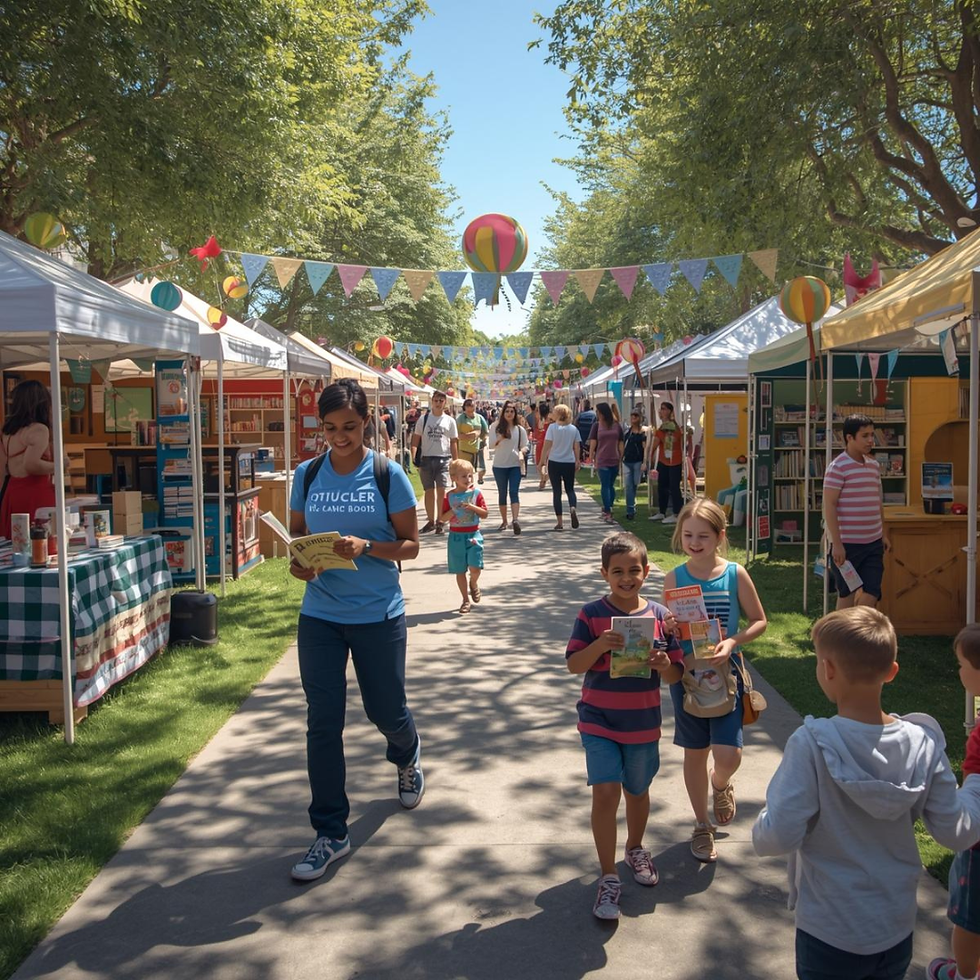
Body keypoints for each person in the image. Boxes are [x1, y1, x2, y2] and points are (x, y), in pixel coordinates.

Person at [753, 608, 980, 980]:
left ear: (827, 670)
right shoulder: (922, 744)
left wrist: (763, 824)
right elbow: (958, 831)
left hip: (828, 929)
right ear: (892, 672)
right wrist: (976, 784)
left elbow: (777, 836)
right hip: (895, 926)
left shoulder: (811, 744)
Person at [287, 378, 423, 882]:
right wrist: (301, 563)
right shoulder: (308, 472)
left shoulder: (388, 474)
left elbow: (411, 545)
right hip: (320, 615)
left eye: (348, 427)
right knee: (323, 721)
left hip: (378, 614)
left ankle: (406, 752)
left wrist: (367, 547)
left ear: (366, 421)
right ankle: (330, 831)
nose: (339, 437)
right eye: (329, 428)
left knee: (385, 708)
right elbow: (298, 536)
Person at [565, 532, 685, 920]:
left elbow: (676, 673)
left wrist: (665, 665)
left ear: (647, 571)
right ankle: (608, 875)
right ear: (604, 574)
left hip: (642, 723)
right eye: (618, 571)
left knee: (637, 790)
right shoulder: (591, 614)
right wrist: (600, 645)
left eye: (634, 570)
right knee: (605, 793)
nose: (627, 578)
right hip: (598, 720)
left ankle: (635, 847)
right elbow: (573, 664)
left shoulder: (662, 617)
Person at [662, 498, 767, 863]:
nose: (694, 542)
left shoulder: (734, 573)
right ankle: (702, 825)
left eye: (703, 536)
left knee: (729, 753)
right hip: (689, 677)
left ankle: (720, 783)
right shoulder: (675, 577)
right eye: (688, 534)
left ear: (720, 536)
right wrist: (669, 626)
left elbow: (759, 620)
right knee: (695, 752)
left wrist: (734, 641)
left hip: (726, 675)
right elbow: (666, 629)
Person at [929, 624, 980, 980]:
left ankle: (963, 974)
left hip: (977, 842)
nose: (958, 672)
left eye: (962, 665)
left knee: (969, 918)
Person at [823, 413, 890, 609]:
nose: (871, 440)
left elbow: (878, 502)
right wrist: (837, 544)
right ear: (849, 438)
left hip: (873, 543)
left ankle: (858, 635)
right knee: (847, 593)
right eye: (865, 436)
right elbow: (830, 505)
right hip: (848, 546)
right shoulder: (837, 468)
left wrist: (883, 534)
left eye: (872, 435)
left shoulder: (874, 466)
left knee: (873, 592)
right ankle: (837, 638)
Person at [0, 380, 57, 539]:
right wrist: (58, 466)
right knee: (41, 541)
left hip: (13, 491)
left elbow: (3, 468)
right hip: (35, 492)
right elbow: (31, 465)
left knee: (16, 542)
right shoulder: (39, 429)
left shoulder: (8, 432)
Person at [442, 458, 488, 614]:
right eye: (464, 476)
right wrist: (453, 511)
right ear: (454, 478)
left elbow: (485, 514)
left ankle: (473, 583)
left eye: (470, 476)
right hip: (455, 537)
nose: (468, 479)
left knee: (475, 567)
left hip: (473, 534)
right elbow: (442, 519)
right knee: (459, 570)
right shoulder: (449, 497)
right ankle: (465, 600)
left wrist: (472, 507)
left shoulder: (476, 494)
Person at [411, 391, 458, 535]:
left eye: (441, 401)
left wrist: (455, 462)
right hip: (426, 459)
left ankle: (440, 521)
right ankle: (430, 521)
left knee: (441, 491)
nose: (438, 403)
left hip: (443, 459)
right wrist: (414, 456)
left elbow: (453, 442)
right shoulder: (424, 419)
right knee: (429, 492)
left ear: (445, 403)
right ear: (432, 401)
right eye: (436, 400)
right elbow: (416, 439)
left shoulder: (449, 421)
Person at [488, 400, 528, 535]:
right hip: (499, 465)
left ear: (515, 413)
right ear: (503, 412)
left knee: (514, 492)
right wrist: (501, 438)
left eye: (512, 411)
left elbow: (525, 445)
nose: (509, 413)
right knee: (502, 493)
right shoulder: (495, 427)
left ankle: (515, 520)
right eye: (507, 411)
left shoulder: (520, 429)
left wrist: (522, 451)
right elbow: (491, 445)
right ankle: (504, 520)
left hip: (515, 465)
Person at [540, 403, 582, 530]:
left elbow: (547, 445)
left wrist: (542, 461)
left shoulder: (552, 428)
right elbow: (576, 447)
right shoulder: (573, 429)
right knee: (570, 489)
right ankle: (572, 507)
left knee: (557, 492)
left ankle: (560, 522)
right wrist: (577, 460)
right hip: (568, 461)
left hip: (554, 462)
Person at [647, 401, 684, 524]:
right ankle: (661, 512)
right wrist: (649, 459)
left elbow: (678, 440)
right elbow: (655, 444)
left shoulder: (675, 427)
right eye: (661, 409)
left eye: (664, 409)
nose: (661, 411)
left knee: (674, 487)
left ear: (669, 411)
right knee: (662, 486)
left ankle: (677, 513)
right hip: (663, 461)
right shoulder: (661, 429)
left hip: (676, 461)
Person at [589, 403, 625, 524]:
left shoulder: (616, 426)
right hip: (602, 459)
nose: (597, 414)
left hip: (614, 458)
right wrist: (591, 456)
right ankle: (608, 511)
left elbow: (620, 441)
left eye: (598, 412)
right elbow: (593, 442)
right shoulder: (596, 426)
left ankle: (608, 507)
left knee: (610, 485)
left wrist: (621, 455)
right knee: (605, 485)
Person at [622, 409, 647, 521]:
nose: (633, 418)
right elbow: (623, 446)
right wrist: (620, 459)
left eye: (636, 416)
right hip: (627, 461)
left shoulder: (643, 433)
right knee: (629, 487)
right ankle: (630, 510)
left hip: (637, 461)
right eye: (632, 415)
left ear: (640, 418)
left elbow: (645, 448)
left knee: (635, 485)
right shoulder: (627, 432)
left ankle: (632, 505)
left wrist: (644, 462)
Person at [456, 398, 489, 475]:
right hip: (463, 451)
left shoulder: (479, 417)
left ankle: (473, 484)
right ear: (464, 407)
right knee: (464, 472)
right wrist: (470, 435)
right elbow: (456, 435)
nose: (470, 407)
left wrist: (480, 438)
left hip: (476, 450)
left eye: (472, 405)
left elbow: (485, 431)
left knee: (473, 472)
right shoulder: (460, 418)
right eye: (468, 405)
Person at [530, 401, 551, 487]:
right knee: (548, 462)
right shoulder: (551, 420)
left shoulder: (539, 419)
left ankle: (542, 478)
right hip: (550, 442)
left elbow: (536, 431)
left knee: (540, 462)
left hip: (541, 442)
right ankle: (545, 478)